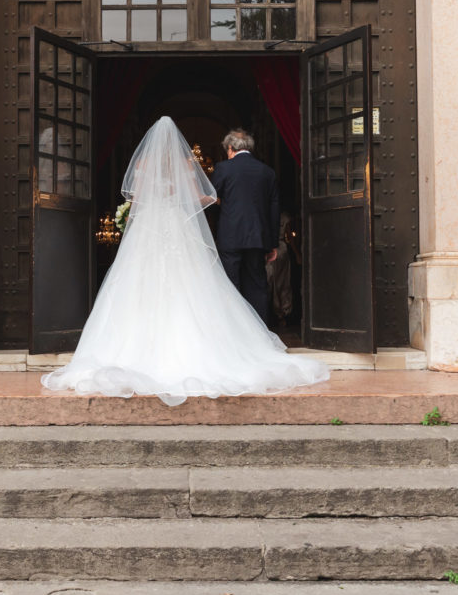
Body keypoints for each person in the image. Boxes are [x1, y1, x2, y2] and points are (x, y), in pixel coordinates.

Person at [41, 116, 328, 405]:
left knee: (139, 284)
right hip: (177, 227)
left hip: (150, 229)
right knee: (194, 283)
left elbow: (137, 198)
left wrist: (142, 207)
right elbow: (201, 198)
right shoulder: (186, 165)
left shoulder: (142, 166)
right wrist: (193, 201)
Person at [209, 129, 279, 323]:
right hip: (257, 238)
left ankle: (233, 332)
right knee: (257, 285)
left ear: (231, 148)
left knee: (230, 285)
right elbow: (274, 209)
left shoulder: (223, 168)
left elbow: (212, 199)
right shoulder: (267, 172)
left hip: (230, 237)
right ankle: (260, 333)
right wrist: (273, 243)